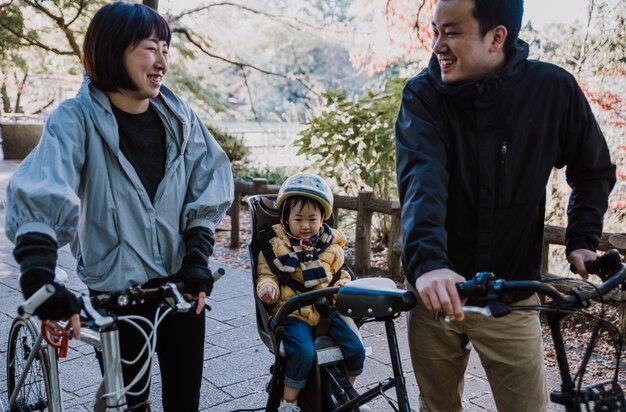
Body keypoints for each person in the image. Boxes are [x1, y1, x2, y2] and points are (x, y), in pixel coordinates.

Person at [5, 2, 233, 411]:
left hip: (181, 289)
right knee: (131, 405)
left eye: (166, 48)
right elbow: (45, 183)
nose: (162, 60)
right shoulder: (75, 119)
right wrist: (39, 273)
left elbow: (209, 181)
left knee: (186, 403)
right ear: (113, 50)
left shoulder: (180, 117)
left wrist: (198, 258)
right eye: (150, 47)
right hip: (116, 296)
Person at [394, 0, 616, 411]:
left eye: (453, 32)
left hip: (512, 293)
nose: (437, 45)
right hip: (436, 292)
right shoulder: (423, 96)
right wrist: (428, 264)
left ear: (497, 37)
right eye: (435, 30)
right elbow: (422, 181)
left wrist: (582, 239)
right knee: (437, 407)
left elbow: (593, 170)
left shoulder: (552, 90)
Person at [256, 173, 366, 412]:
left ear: (323, 218)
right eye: (298, 219)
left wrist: (345, 289)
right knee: (303, 353)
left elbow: (341, 274)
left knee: (356, 349)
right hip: (294, 313)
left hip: (327, 309)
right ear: (285, 219)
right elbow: (267, 274)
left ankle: (346, 395)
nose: (305, 226)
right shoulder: (275, 246)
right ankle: (289, 402)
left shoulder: (332, 246)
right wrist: (268, 288)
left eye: (312, 219)